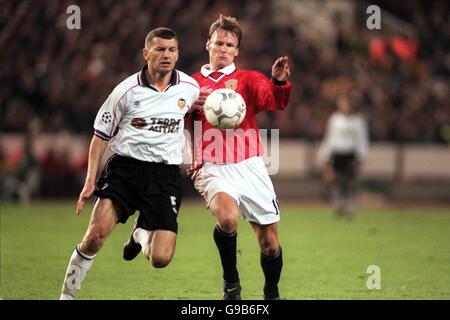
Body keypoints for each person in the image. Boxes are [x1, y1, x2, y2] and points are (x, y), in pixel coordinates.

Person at [59, 27, 200, 300]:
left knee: (161, 258)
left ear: (178, 54)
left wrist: (194, 153)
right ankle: (67, 297)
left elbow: (194, 119)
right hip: (125, 170)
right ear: (146, 53)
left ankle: (140, 234)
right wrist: (90, 181)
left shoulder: (190, 88)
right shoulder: (125, 91)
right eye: (160, 49)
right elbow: (100, 137)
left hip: (165, 175)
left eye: (172, 50)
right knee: (94, 237)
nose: (166, 55)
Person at [185, 15, 291, 300]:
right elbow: (173, 119)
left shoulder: (248, 79)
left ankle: (271, 290)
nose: (222, 48)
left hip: (249, 164)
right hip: (211, 165)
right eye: (218, 42)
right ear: (208, 44)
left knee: (269, 243)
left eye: (229, 44)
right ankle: (231, 283)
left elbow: (275, 100)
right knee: (228, 219)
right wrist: (185, 108)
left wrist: (278, 81)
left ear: (236, 51)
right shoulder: (190, 84)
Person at [317, 93, 369, 218]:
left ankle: (350, 204)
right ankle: (338, 204)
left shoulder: (358, 121)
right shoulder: (334, 119)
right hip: (337, 153)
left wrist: (361, 158)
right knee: (334, 180)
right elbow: (329, 138)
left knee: (349, 181)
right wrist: (324, 155)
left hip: (350, 154)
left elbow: (362, 140)